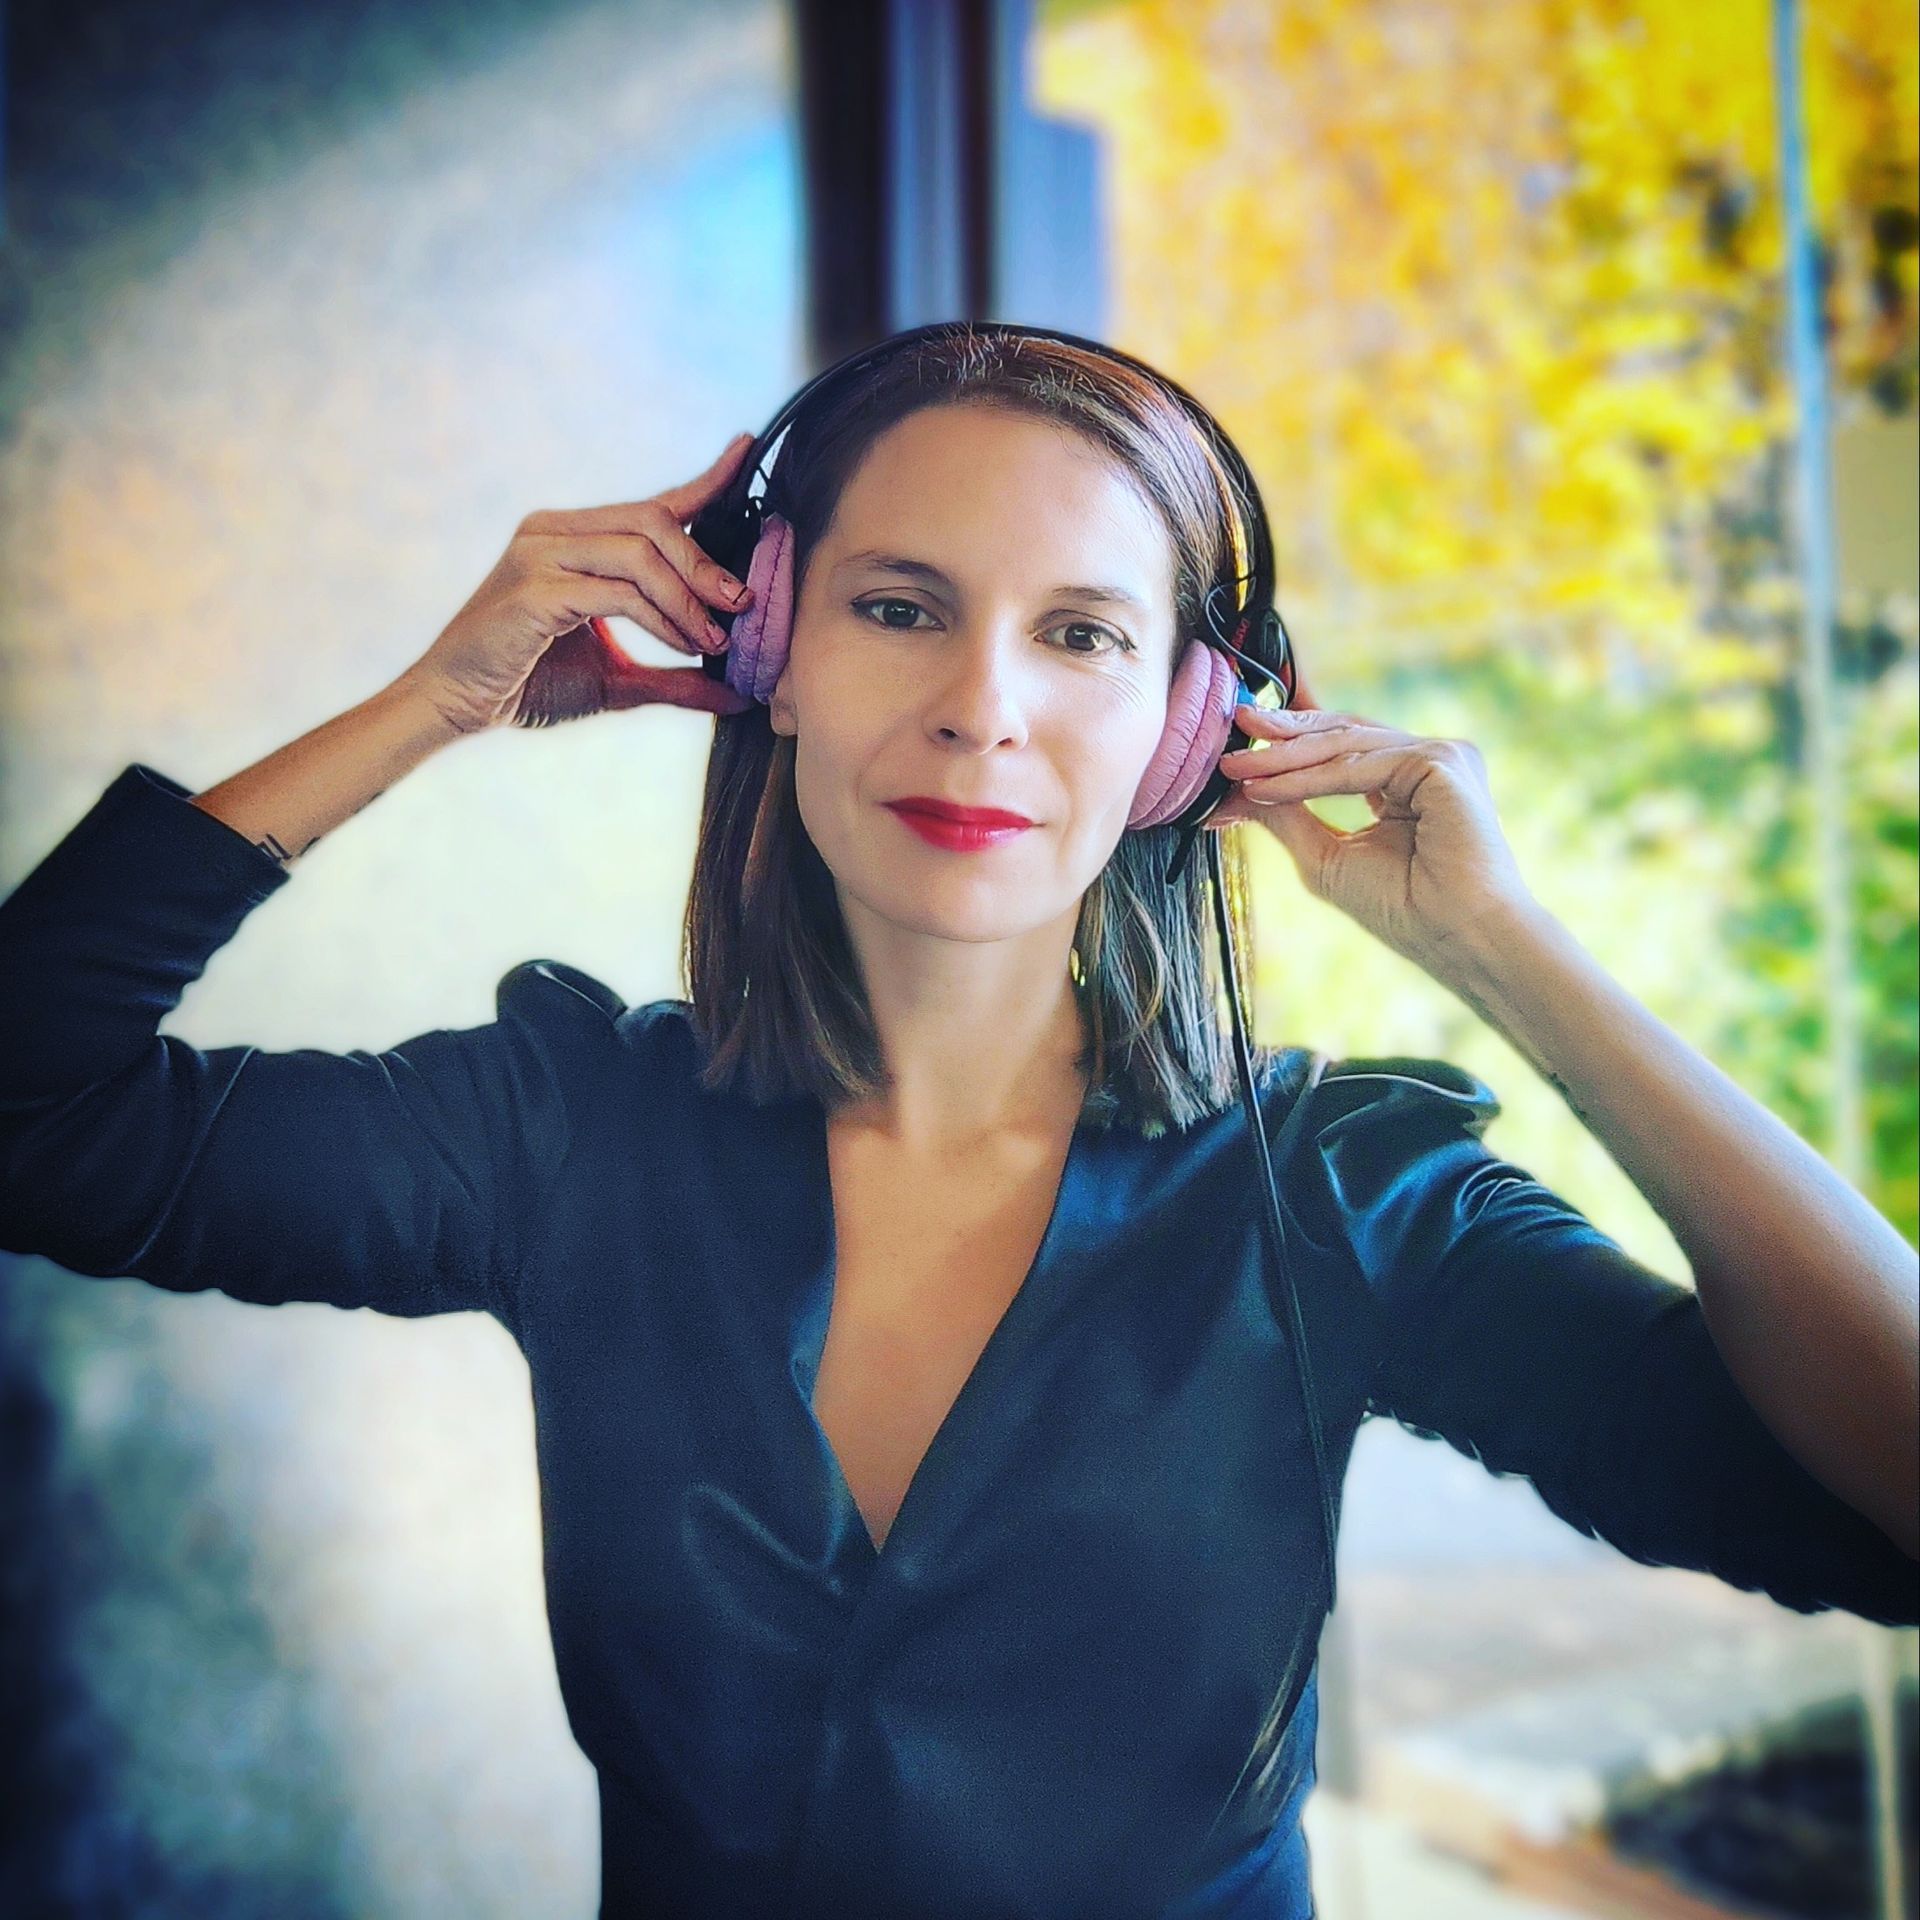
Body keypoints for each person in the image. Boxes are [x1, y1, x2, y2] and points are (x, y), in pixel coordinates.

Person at [1, 324, 1914, 1920]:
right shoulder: (569, 1133)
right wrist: (440, 697)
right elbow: (35, 1113)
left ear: (1187, 731)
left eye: (1080, 635)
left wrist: (1505, 946)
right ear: (768, 653)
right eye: (899, 607)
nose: (980, 706)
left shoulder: (1333, 1198)